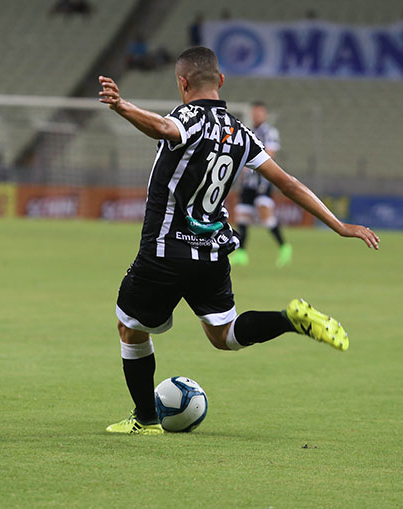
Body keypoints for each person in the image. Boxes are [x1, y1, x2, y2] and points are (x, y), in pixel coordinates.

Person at [97, 46, 379, 435]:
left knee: (130, 328)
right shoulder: (241, 132)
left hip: (165, 250)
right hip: (212, 252)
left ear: (182, 83)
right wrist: (339, 225)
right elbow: (288, 183)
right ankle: (289, 320)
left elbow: (164, 128)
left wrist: (121, 106)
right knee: (223, 335)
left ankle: (145, 419)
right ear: (221, 80)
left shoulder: (188, 117)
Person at [230, 101, 292, 267]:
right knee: (242, 214)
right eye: (254, 113)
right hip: (248, 182)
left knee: (265, 214)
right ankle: (242, 253)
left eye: (259, 113)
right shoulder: (249, 131)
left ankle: (284, 247)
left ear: (265, 114)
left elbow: (269, 155)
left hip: (262, 181)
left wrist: (250, 164)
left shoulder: (269, 132)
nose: (256, 115)